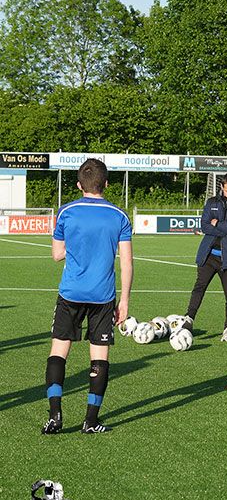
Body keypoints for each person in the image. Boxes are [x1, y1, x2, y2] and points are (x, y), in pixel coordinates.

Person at [42, 158, 133, 434]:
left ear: (79, 184)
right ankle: (91, 421)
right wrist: (125, 300)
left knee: (59, 351)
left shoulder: (67, 211)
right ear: (106, 184)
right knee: (99, 357)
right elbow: (126, 262)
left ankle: (55, 417)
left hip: (70, 292)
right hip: (103, 296)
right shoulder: (119, 216)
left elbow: (57, 255)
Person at [184, 173, 227, 342]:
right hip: (208, 256)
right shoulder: (212, 202)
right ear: (222, 187)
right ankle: (189, 319)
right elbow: (205, 226)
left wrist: (218, 224)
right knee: (199, 288)